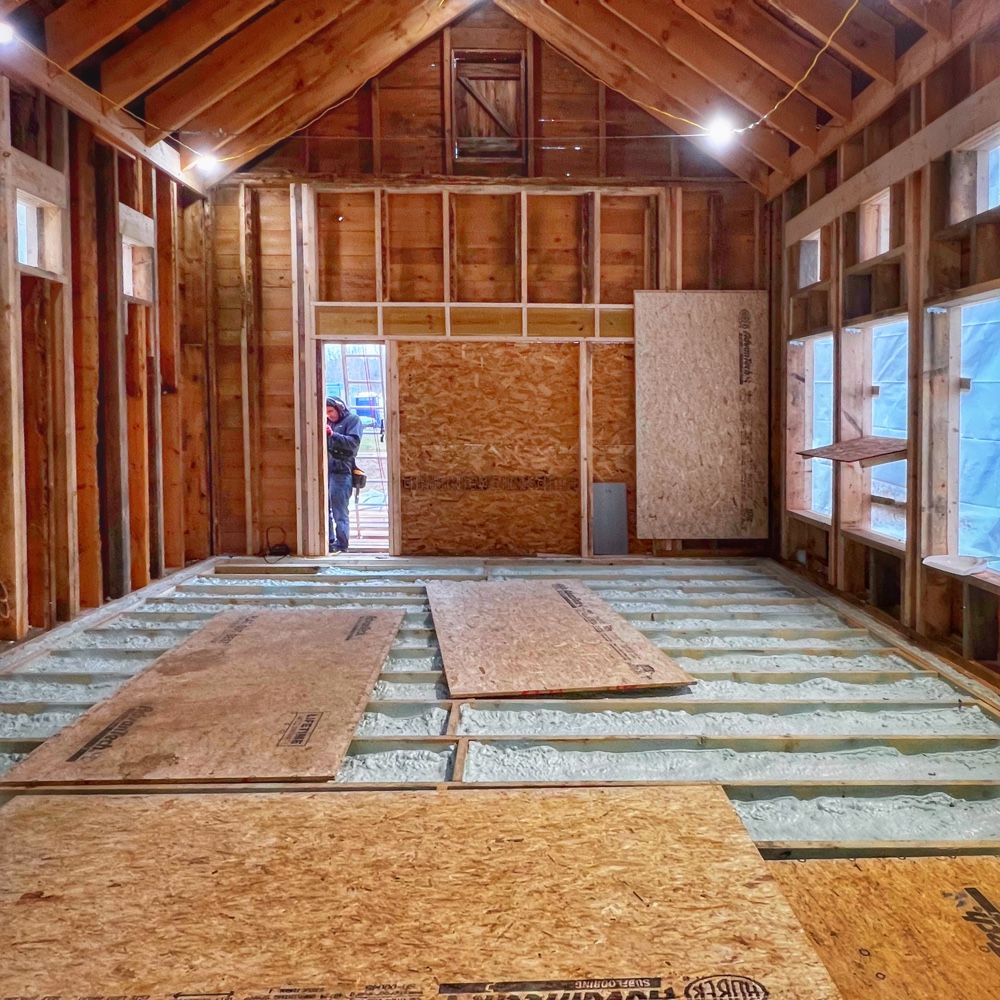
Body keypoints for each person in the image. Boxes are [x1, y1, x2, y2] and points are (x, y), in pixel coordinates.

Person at [326, 397, 363, 553]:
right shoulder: (328, 421)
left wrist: (333, 435)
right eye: (326, 413)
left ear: (339, 409)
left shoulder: (353, 420)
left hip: (342, 471)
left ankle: (342, 544)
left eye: (331, 411)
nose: (329, 415)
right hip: (325, 470)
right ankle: (328, 541)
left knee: (339, 511)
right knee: (324, 509)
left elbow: (353, 443)